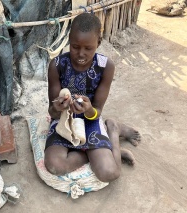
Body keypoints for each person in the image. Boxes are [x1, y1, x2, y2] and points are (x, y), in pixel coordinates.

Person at [45, 13, 141, 182]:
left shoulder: (106, 66)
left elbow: (97, 109)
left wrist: (88, 109)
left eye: (88, 48)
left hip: (90, 119)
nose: (81, 54)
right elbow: (52, 112)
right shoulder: (57, 65)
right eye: (75, 46)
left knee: (110, 173)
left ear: (99, 42)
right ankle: (100, 152)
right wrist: (58, 107)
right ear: (69, 40)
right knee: (55, 166)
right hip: (63, 121)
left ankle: (112, 128)